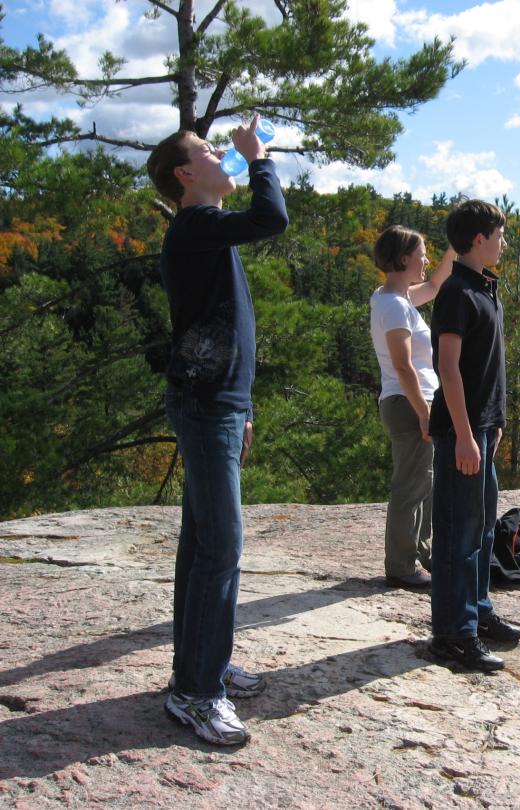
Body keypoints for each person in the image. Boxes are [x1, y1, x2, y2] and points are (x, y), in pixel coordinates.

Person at [146, 116, 288, 746]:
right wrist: (258, 159)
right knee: (220, 549)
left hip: (218, 403)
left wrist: (244, 405)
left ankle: (203, 662)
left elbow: (227, 323)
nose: (219, 157)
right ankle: (197, 693)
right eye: (206, 152)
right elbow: (271, 218)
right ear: (184, 173)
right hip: (206, 407)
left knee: (202, 543)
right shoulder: (197, 225)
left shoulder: (203, 227)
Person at [427, 199, 520, 673]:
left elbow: (486, 366)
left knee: (484, 528)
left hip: (484, 427)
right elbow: (447, 367)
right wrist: (465, 436)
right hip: (462, 432)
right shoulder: (456, 293)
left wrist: (495, 421)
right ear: (479, 239)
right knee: (457, 534)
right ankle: (451, 634)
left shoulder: (485, 287)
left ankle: (478, 612)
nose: (504, 242)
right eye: (500, 235)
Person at [369, 226, 455, 587]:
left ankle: (419, 554)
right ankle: (402, 566)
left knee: (423, 483)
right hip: (409, 404)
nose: (426, 260)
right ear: (403, 258)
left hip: (414, 401)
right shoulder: (392, 305)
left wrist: (457, 247)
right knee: (410, 486)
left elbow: (435, 286)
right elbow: (402, 365)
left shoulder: (395, 297)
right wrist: (423, 411)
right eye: (421, 254)